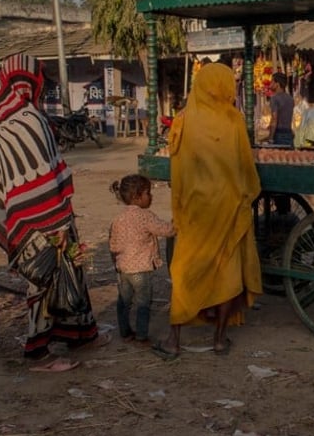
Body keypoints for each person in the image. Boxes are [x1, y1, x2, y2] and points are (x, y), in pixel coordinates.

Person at [0, 53, 99, 372]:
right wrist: (56, 225)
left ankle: (80, 334)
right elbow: (38, 179)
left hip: (41, 214)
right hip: (43, 220)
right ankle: (37, 351)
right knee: (45, 278)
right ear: (29, 82)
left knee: (69, 272)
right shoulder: (26, 121)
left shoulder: (11, 121)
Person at [153, 63, 262, 360]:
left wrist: (179, 206)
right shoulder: (233, 119)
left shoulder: (183, 120)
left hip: (194, 209)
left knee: (185, 268)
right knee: (226, 270)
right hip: (228, 205)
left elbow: (177, 170)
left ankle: (173, 339)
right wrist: (247, 193)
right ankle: (219, 338)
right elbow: (245, 165)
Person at [108, 174, 175, 345]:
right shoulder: (145, 216)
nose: (150, 196)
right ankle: (141, 335)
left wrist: (118, 263)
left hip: (123, 268)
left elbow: (113, 245)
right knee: (143, 303)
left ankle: (125, 332)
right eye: (148, 193)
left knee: (124, 301)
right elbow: (166, 230)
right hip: (141, 269)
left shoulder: (118, 218)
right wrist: (177, 224)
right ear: (137, 196)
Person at [267, 72, 294, 146]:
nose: (270, 84)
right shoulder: (290, 99)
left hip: (279, 135)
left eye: (272, 81)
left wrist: (270, 138)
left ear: (277, 84)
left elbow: (274, 119)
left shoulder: (274, 98)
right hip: (289, 133)